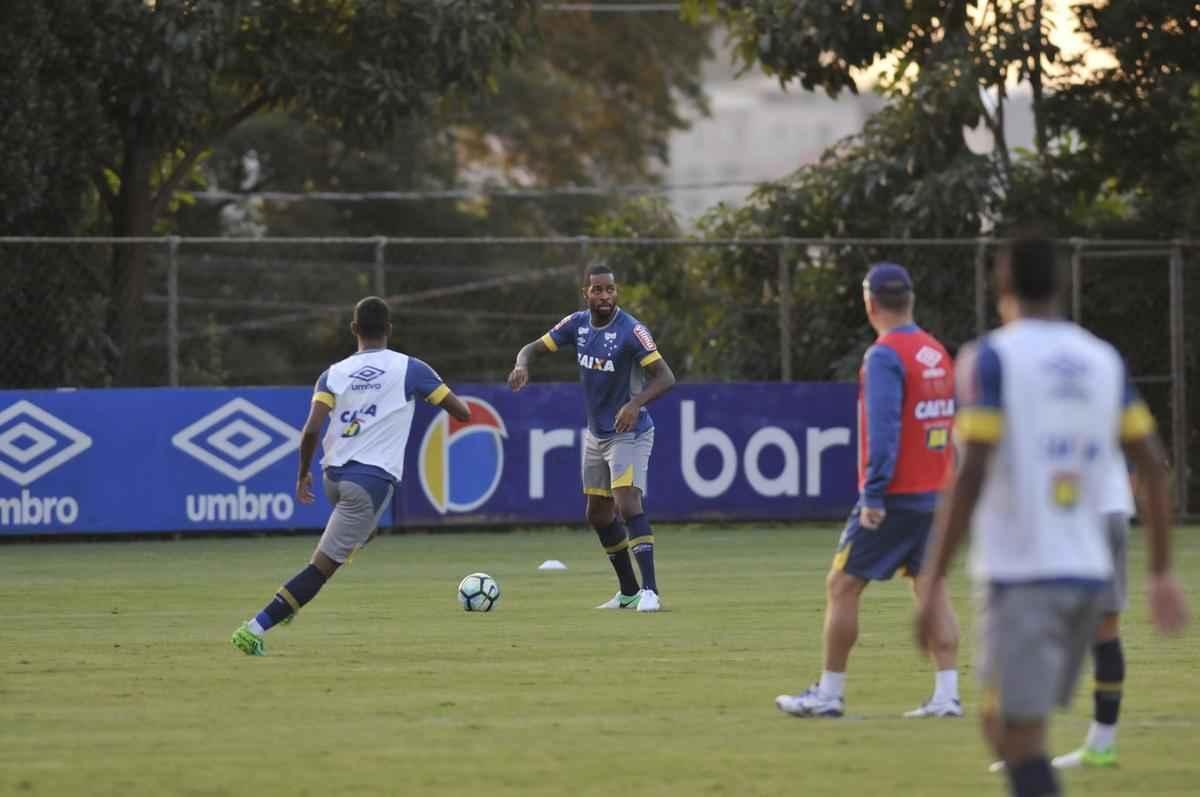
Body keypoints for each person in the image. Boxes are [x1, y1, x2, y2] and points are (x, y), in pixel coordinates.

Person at [915, 234, 1188, 797]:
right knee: (1012, 729)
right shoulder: (1102, 359)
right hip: (1087, 574)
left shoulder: (990, 358)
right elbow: (1153, 466)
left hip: (1021, 575)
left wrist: (933, 576)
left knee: (1014, 740)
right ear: (1062, 285)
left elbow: (971, 471)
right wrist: (1161, 573)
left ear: (1001, 287)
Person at [231, 296, 470, 655]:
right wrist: (424, 394)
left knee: (364, 530)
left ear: (354, 329)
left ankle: (294, 597)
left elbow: (312, 429)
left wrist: (302, 475)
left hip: (334, 478)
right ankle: (254, 629)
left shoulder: (332, 374)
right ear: (389, 329)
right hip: (370, 485)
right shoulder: (411, 369)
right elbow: (462, 412)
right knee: (320, 570)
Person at [776, 263, 962, 719]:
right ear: (910, 300)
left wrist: (874, 494)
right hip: (936, 492)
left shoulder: (884, 355)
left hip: (896, 494)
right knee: (931, 587)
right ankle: (947, 695)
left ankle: (829, 693)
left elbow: (883, 430)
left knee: (842, 584)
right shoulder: (935, 351)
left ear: (869, 303)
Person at [508, 263, 675, 612]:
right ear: (585, 293)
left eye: (609, 289)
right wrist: (522, 364)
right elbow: (532, 348)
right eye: (597, 290)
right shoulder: (577, 324)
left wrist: (635, 404)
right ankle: (628, 592)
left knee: (627, 502)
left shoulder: (632, 331)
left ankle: (651, 591)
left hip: (629, 432)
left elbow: (665, 377)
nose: (604, 296)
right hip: (597, 434)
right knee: (598, 514)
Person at [989, 455, 1135, 774]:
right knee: (1106, 631)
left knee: (1039, 629)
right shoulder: (1112, 417)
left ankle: (1027, 752)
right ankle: (1101, 745)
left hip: (1071, 513)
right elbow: (1147, 457)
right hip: (1114, 509)